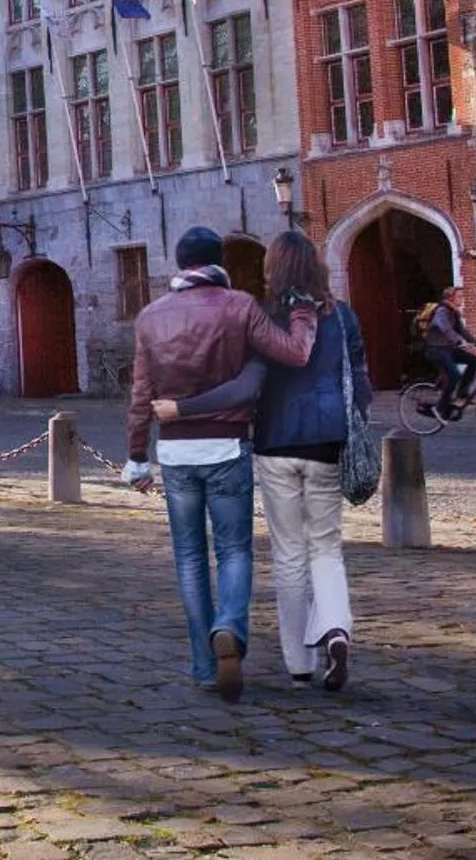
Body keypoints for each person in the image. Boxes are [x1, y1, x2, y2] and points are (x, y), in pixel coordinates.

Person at [157, 229, 371, 693]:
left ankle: (299, 663)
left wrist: (187, 408)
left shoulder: (262, 316)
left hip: (276, 443)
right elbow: (360, 379)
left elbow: (249, 384)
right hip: (327, 442)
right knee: (327, 547)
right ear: (317, 268)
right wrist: (353, 421)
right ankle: (336, 628)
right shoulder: (342, 317)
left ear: (271, 270)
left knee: (290, 553)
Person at [124, 226, 318, 701]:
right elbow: (293, 354)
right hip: (228, 446)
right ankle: (229, 625)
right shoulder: (239, 306)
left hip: (174, 451)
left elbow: (140, 395)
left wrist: (136, 457)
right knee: (234, 551)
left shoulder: (150, 317)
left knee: (189, 558)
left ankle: (204, 666)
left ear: (178, 264)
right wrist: (302, 313)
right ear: (218, 262)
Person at [419, 287, 476, 421]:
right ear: (450, 298)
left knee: (472, 360)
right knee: (454, 375)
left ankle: (461, 392)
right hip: (435, 349)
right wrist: (460, 342)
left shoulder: (454, 313)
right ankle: (439, 408)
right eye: (459, 297)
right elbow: (446, 329)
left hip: (447, 349)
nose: (462, 299)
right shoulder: (442, 311)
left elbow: (462, 331)